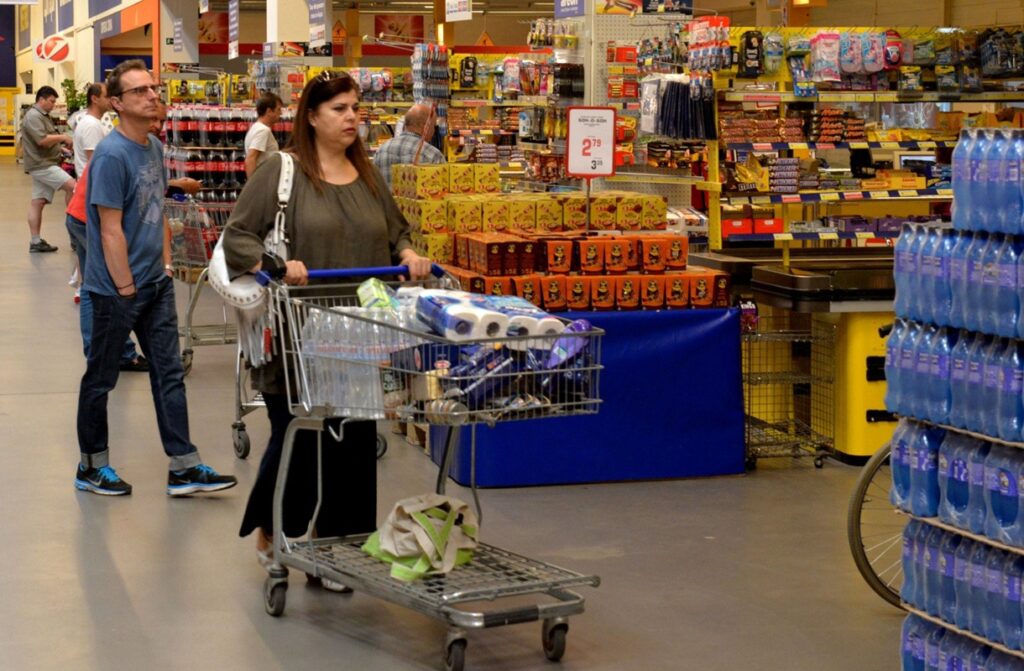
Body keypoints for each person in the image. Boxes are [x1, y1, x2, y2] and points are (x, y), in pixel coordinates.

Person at [221, 70, 431, 586]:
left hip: (357, 333)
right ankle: (277, 531)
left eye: (355, 107)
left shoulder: (368, 174)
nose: (351, 117)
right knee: (300, 437)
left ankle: (339, 547)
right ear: (311, 116)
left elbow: (395, 229)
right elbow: (237, 236)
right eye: (339, 109)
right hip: (296, 332)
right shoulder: (282, 169)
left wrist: (407, 253)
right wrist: (275, 265)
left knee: (354, 442)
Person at [74, 59, 237, 498]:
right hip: (115, 291)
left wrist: (165, 267)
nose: (152, 96)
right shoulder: (110, 156)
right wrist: (126, 288)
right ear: (116, 103)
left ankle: (183, 465)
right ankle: (91, 466)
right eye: (140, 91)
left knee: (168, 373)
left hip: (155, 284)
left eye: (153, 88)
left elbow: (158, 209)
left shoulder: (152, 147)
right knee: (101, 379)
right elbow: (109, 230)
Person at [66, 82, 150, 373]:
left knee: (93, 286)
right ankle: (118, 353)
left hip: (80, 213)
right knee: (105, 286)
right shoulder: (115, 147)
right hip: (88, 216)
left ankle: (102, 351)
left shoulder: (130, 144)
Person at [22, 85, 75, 253]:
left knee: (38, 202)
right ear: (41, 99)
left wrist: (60, 149)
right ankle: (76, 236)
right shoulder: (33, 116)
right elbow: (42, 141)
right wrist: (63, 138)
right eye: (51, 101)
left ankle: (35, 242)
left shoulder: (42, 116)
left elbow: (47, 141)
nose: (53, 104)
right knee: (74, 188)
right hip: (43, 165)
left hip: (44, 162)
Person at [372, 103, 445, 190]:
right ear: (425, 126)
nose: (434, 130)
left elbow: (373, 187)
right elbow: (442, 192)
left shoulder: (381, 150)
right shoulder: (432, 154)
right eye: (433, 126)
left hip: (385, 203)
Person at [243, 92, 283, 177]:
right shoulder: (263, 131)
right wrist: (253, 186)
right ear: (269, 111)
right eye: (278, 109)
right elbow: (251, 159)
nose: (281, 113)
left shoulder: (256, 127)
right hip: (263, 183)